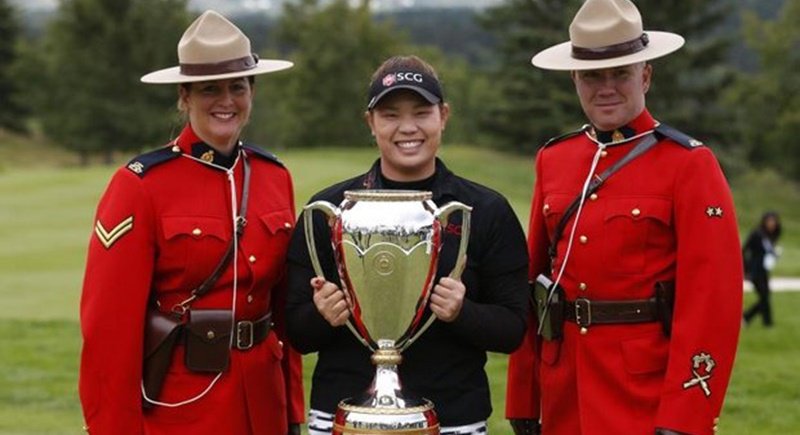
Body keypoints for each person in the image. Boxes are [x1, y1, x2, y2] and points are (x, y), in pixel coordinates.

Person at [505, 0, 743, 434]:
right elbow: (533, 288)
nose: (606, 87)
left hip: (644, 395)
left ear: (646, 76)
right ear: (575, 79)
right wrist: (524, 396)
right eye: (593, 75)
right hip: (564, 391)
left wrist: (686, 414)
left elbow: (713, 301)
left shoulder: (689, 164)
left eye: (621, 73)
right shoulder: (553, 159)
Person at [79, 10, 304, 434]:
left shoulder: (274, 177)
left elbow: (282, 313)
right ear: (184, 96)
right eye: (209, 89)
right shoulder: (140, 185)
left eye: (238, 87)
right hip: (182, 406)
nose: (226, 101)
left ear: (252, 91)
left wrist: (292, 408)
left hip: (264, 401)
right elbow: (109, 331)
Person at [285, 55, 529, 434]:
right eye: (390, 115)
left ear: (443, 116)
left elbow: (513, 328)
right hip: (345, 417)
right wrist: (322, 314)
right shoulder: (329, 209)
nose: (407, 127)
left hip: (454, 418)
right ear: (371, 123)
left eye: (421, 112)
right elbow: (295, 333)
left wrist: (462, 311)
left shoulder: (484, 210)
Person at [743, 211, 782, 327]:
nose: (772, 224)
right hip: (754, 271)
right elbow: (744, 250)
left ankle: (766, 323)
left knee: (765, 296)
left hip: (764, 270)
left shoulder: (771, 235)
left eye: (774, 221)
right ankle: (750, 318)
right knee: (764, 296)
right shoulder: (757, 234)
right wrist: (746, 270)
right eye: (769, 221)